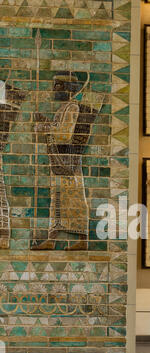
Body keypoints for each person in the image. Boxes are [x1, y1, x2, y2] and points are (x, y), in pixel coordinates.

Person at [32, 71, 98, 251]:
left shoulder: (72, 108)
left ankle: (83, 240)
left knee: (75, 200)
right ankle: (52, 239)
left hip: (67, 161)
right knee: (57, 199)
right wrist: (46, 123)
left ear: (68, 89)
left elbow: (64, 134)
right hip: (59, 160)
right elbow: (59, 128)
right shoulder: (65, 108)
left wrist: (44, 127)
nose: (54, 89)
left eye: (58, 86)